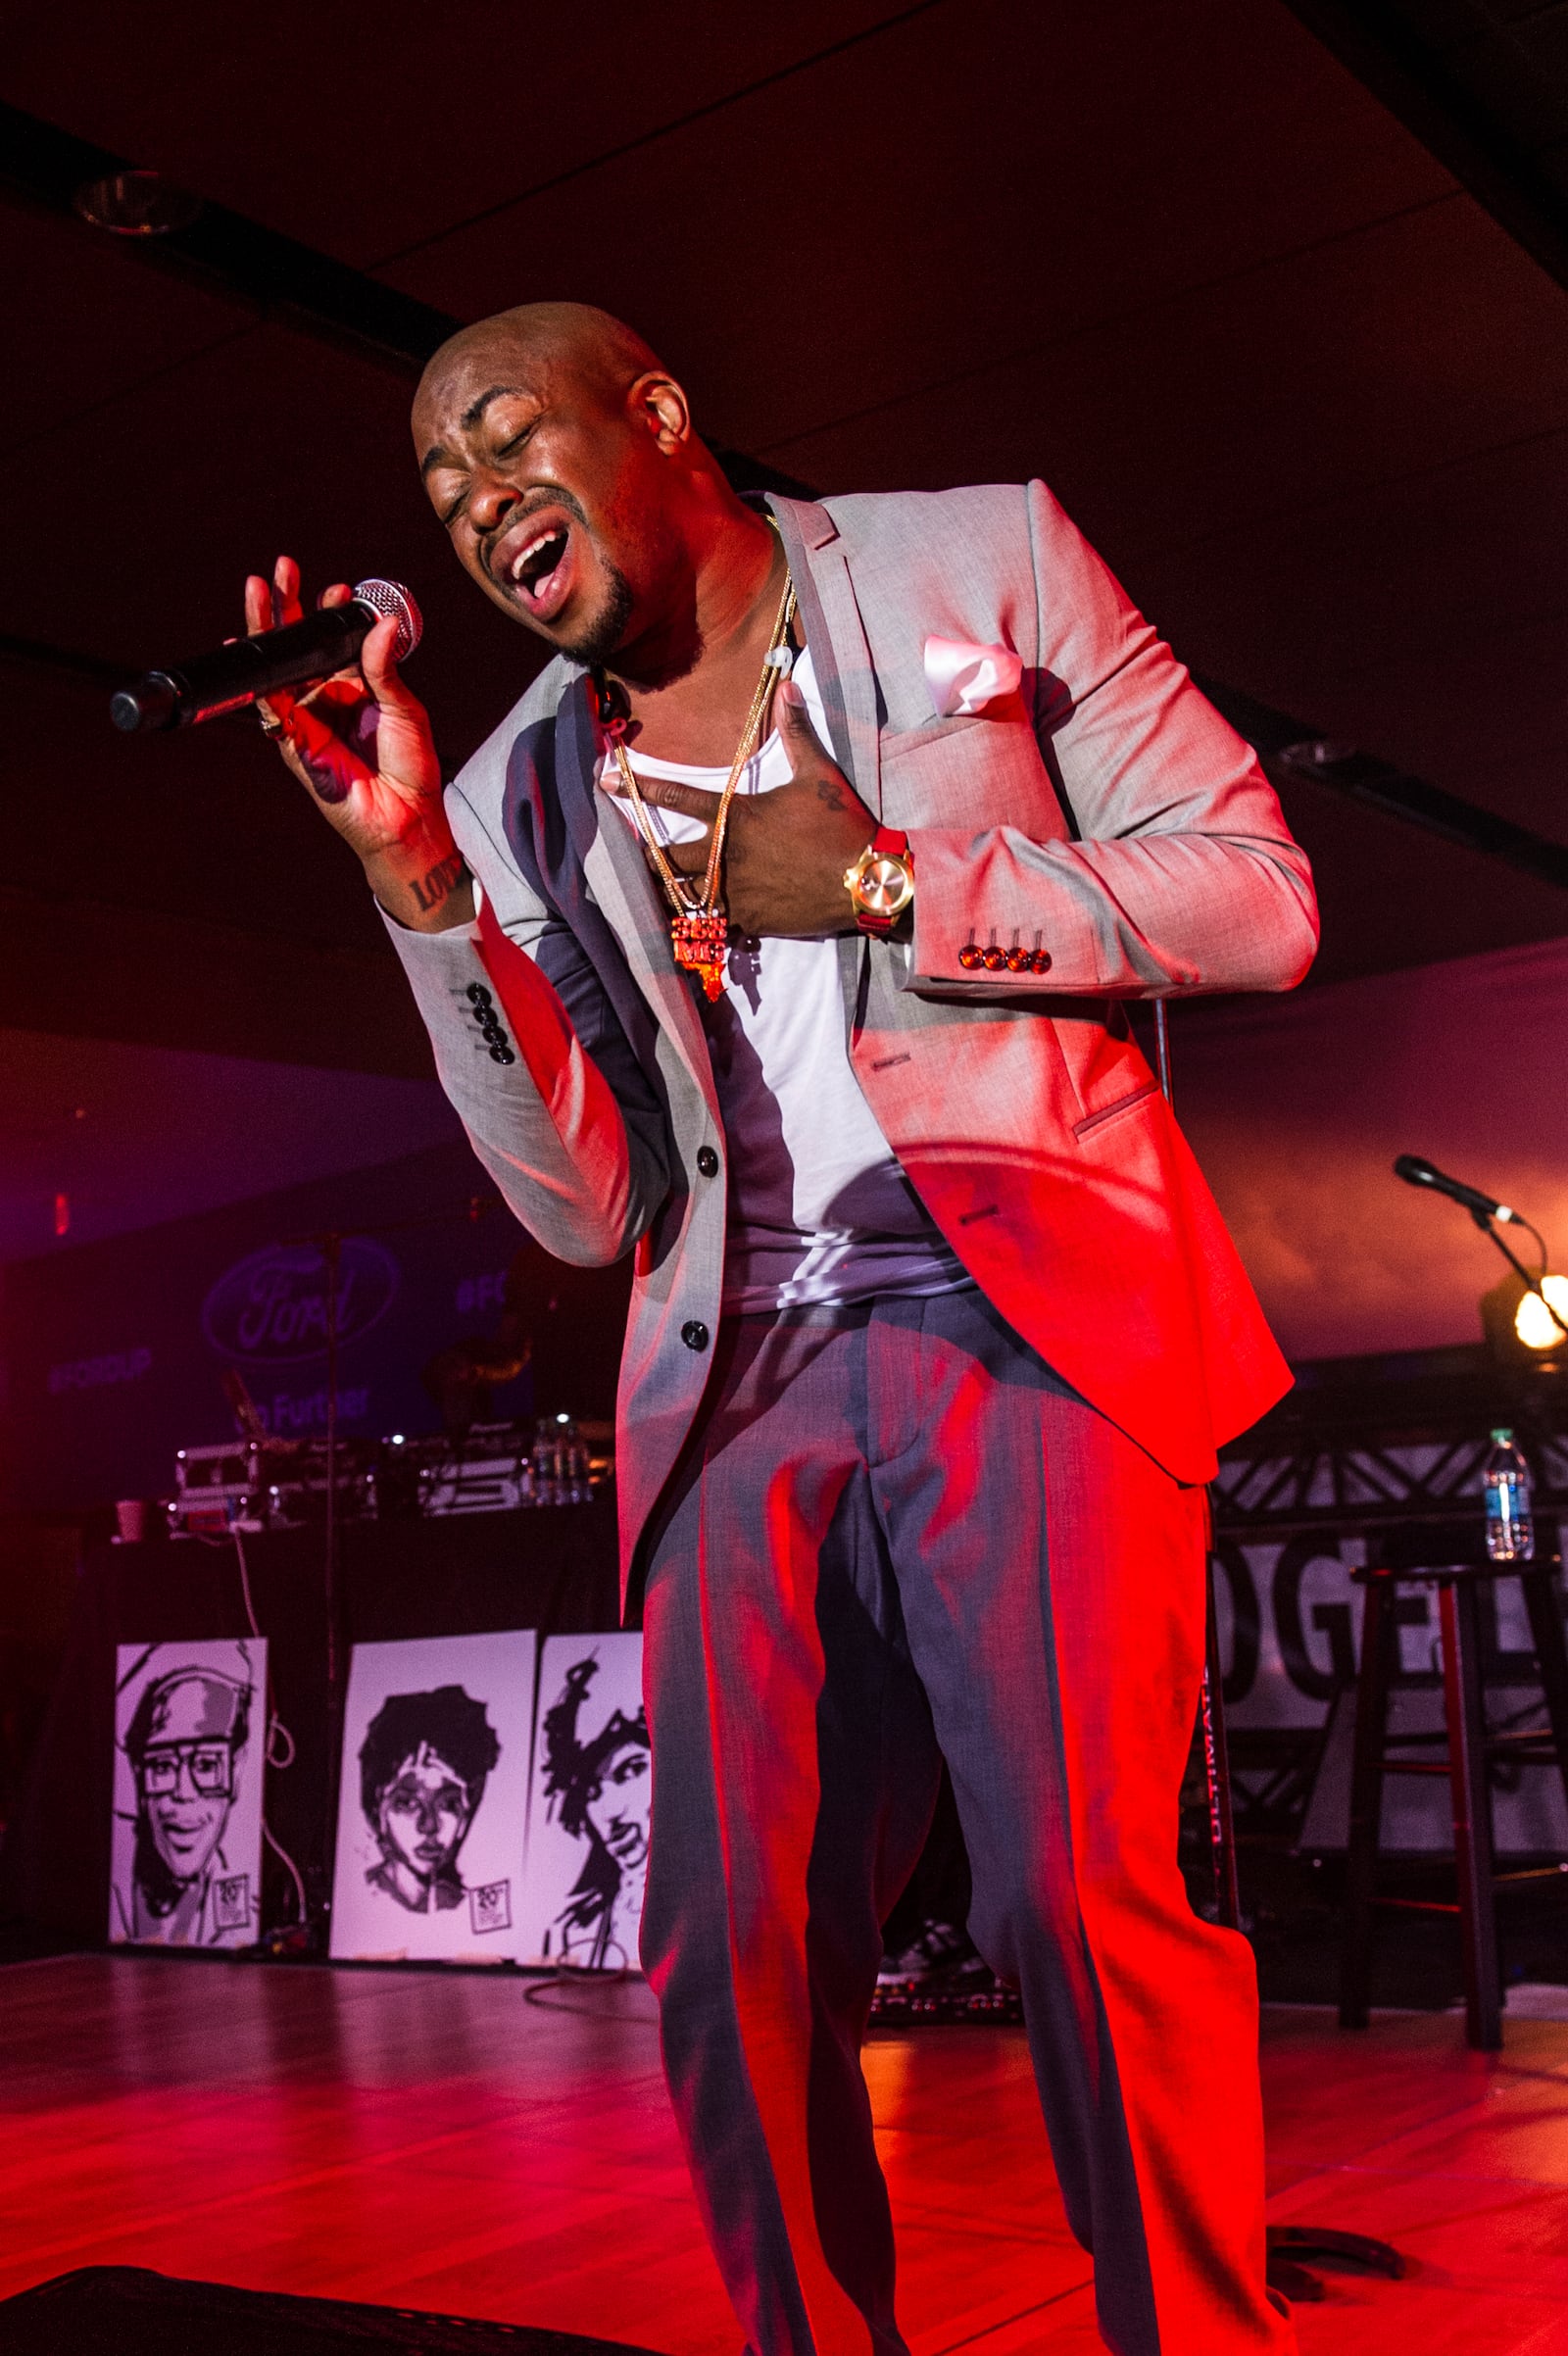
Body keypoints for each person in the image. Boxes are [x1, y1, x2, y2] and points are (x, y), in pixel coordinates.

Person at [245, 300, 1318, 2355]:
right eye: (440, 489)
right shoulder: (510, 787)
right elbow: (573, 1199)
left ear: (647, 412)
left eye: (503, 439)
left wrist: (909, 878)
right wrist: (418, 896)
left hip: (1017, 1299)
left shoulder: (973, 554)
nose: (476, 503)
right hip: (728, 1360)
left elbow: (1257, 893)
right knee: (724, 1942)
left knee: (1081, 1911)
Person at [117, 1661, 255, 1945]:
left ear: (237, 1771)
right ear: (138, 1773)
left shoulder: (246, 1907)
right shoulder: (111, 1892)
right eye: (163, 1766)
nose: (183, 1791)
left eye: (205, 1764)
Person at [538, 1652, 652, 1969]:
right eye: (591, 1792)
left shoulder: (731, 1915)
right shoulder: (571, 1933)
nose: (608, 1813)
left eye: (629, 1771)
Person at [357, 1686, 500, 1915]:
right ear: (377, 1810)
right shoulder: (364, 1899)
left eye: (447, 1804)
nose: (430, 1825)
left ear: (465, 1814)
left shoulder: (460, 1903)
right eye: (408, 1803)